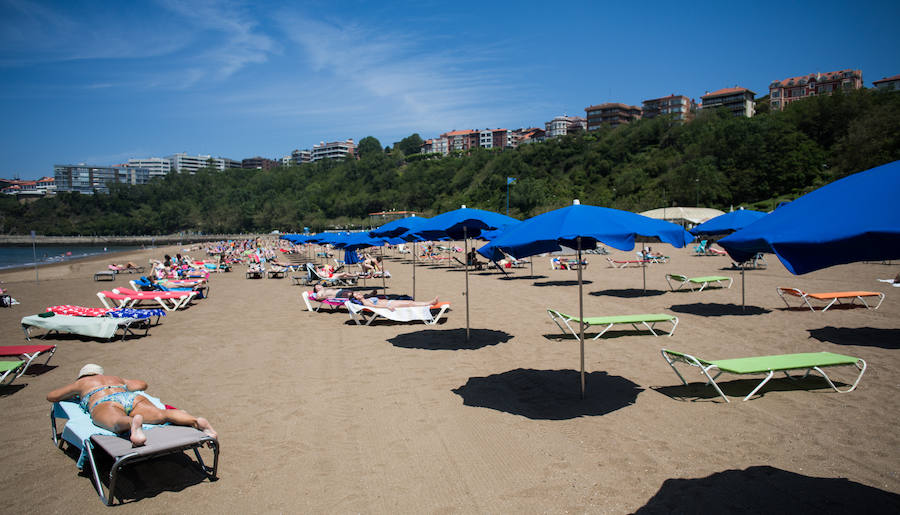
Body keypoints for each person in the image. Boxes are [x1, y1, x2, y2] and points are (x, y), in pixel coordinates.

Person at [46, 364, 216, 446]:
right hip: (128, 396)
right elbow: (142, 385)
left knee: (115, 421)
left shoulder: (82, 383)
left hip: (104, 401)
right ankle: (196, 421)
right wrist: (124, 384)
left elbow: (52, 396)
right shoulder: (115, 379)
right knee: (161, 414)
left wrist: (76, 392)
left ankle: (132, 425)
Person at [350, 291, 437, 311]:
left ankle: (428, 303)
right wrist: (387, 306)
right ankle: (429, 303)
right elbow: (374, 306)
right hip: (389, 304)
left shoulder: (366, 298)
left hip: (390, 302)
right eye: (357, 295)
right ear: (356, 299)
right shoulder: (365, 302)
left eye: (357, 293)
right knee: (410, 304)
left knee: (410, 303)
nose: (359, 293)